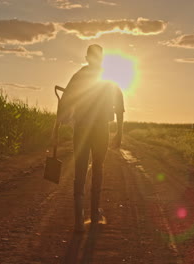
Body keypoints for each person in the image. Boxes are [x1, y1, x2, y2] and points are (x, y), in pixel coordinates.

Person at [56, 44, 124, 232]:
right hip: (101, 129)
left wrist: (60, 123)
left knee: (80, 170)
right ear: (101, 58)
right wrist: (120, 132)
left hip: (83, 129)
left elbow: (65, 103)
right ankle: (94, 215)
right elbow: (119, 108)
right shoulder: (109, 79)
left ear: (87, 57)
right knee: (98, 169)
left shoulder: (79, 76)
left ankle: (79, 220)